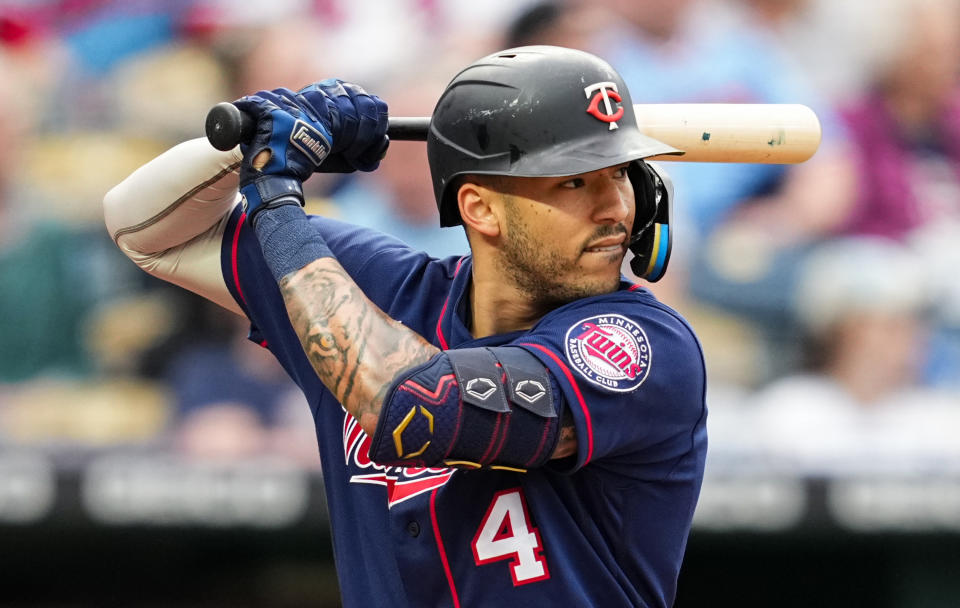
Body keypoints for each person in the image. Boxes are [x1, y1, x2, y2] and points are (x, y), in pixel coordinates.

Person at [103, 46, 707, 608]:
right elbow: (142, 227)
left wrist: (277, 199)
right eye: (575, 181)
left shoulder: (641, 344)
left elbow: (411, 405)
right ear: (481, 208)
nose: (618, 208)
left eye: (622, 174)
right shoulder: (386, 288)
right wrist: (251, 138)